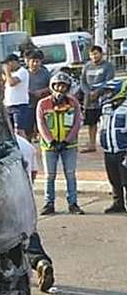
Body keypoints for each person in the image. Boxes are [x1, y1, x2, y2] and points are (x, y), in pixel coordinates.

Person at [36, 72, 84, 215]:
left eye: (64, 86)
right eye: (57, 85)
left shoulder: (73, 103)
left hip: (69, 146)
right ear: (52, 86)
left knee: (70, 174)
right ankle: (49, 203)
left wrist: (66, 141)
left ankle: (73, 203)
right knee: (50, 175)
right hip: (49, 146)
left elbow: (77, 123)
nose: (60, 89)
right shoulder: (43, 104)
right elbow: (41, 124)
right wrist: (51, 141)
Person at [15, 132, 55, 292]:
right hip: (25, 199)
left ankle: (19, 282)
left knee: (8, 241)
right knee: (30, 235)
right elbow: (33, 173)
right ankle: (40, 261)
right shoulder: (26, 145)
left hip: (5, 202)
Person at [80, 45, 115, 153]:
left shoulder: (108, 66)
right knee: (91, 123)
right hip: (89, 99)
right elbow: (83, 82)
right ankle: (92, 144)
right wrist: (88, 92)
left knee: (106, 121)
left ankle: (108, 142)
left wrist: (98, 92)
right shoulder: (87, 66)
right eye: (91, 54)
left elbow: (109, 81)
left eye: (96, 53)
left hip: (104, 98)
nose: (94, 56)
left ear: (101, 54)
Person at [99, 80, 127, 214]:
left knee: (125, 179)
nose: (107, 94)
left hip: (123, 150)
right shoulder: (106, 108)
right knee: (114, 179)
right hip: (109, 150)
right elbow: (103, 127)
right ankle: (118, 203)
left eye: (109, 91)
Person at [2, 54, 31, 136]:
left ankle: (24, 147)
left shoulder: (22, 72)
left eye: (8, 64)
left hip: (19, 105)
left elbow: (12, 83)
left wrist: (7, 72)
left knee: (19, 131)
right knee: (10, 131)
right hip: (9, 105)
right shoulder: (11, 74)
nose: (7, 66)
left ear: (14, 62)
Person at [25, 50, 51, 138]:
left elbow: (51, 86)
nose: (35, 64)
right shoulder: (24, 73)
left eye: (37, 61)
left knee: (43, 126)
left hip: (42, 103)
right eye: (33, 61)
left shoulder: (46, 73)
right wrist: (30, 92)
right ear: (28, 62)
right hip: (28, 104)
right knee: (28, 128)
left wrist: (42, 91)